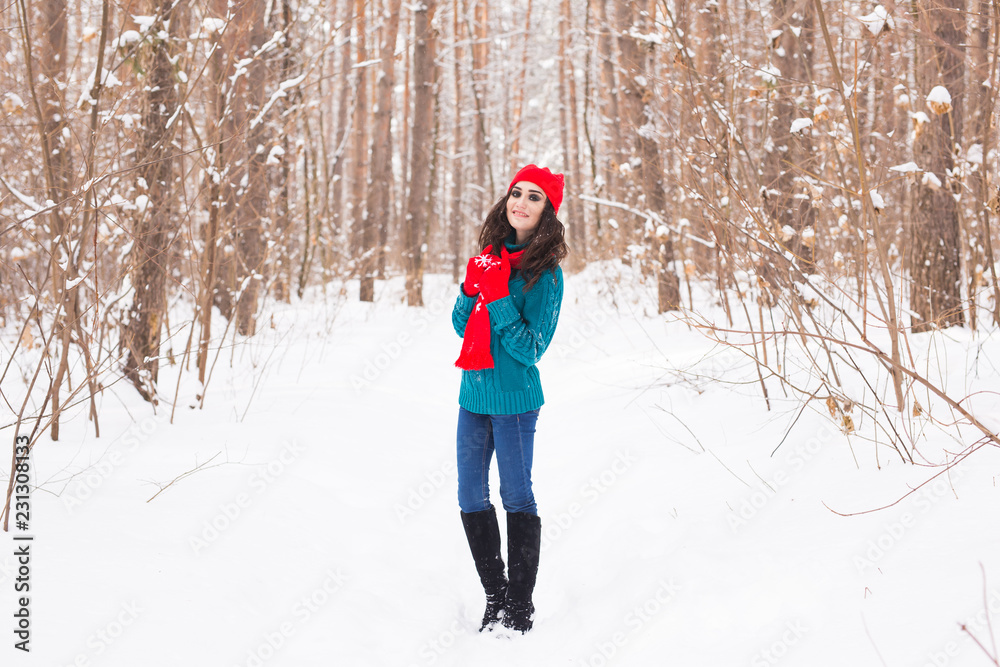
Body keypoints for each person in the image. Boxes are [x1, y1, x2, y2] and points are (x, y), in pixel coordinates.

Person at [451, 164, 568, 634]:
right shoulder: (489, 258)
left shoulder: (547, 276)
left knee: (516, 495)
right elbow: (463, 328)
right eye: (516, 193)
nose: (521, 201)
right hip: (473, 394)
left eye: (534, 197)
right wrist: (469, 289)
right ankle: (494, 595)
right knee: (469, 494)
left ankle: (519, 604)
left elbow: (530, 349)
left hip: (516, 399)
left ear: (548, 211)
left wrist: (498, 296)